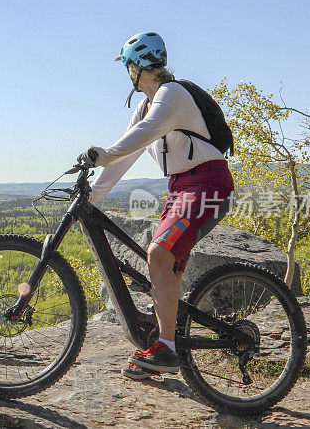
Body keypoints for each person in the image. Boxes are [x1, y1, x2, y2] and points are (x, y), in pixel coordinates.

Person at [80, 32, 235, 379]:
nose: (127, 74)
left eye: (127, 66)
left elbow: (140, 135)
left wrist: (104, 154)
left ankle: (166, 349)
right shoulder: (145, 105)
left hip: (207, 184)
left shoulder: (172, 94)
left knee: (159, 254)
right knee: (168, 267)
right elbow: (126, 153)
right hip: (181, 187)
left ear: (135, 67)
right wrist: (92, 196)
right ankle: (161, 346)